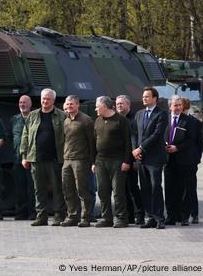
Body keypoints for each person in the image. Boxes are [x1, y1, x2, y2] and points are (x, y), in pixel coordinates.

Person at [20, 88, 66, 226]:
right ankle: (41, 216)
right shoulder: (33, 115)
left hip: (54, 158)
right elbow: (25, 135)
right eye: (43, 98)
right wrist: (24, 156)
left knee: (57, 188)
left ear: (53, 100)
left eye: (48, 99)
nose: (45, 101)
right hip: (36, 158)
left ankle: (59, 215)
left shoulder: (61, 116)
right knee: (38, 189)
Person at [132, 86, 169, 229]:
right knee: (145, 188)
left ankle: (160, 218)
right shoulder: (139, 114)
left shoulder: (162, 114)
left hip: (155, 158)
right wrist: (135, 149)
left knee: (155, 187)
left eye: (147, 96)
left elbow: (157, 135)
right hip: (141, 158)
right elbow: (134, 133)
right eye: (143, 96)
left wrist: (141, 147)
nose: (144, 98)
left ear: (155, 99)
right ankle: (150, 217)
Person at [93, 96, 132, 228]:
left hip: (117, 161)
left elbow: (128, 142)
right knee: (103, 191)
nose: (95, 109)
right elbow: (94, 142)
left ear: (104, 106)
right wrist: (93, 162)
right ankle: (106, 218)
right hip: (100, 161)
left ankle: (121, 218)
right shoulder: (97, 121)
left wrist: (127, 161)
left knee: (118, 191)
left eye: (97, 106)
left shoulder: (121, 120)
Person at [60, 95, 95, 227]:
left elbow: (92, 142)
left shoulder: (86, 120)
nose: (69, 107)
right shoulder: (66, 120)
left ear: (77, 105)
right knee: (67, 189)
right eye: (67, 104)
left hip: (81, 160)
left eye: (72, 104)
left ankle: (86, 217)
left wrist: (92, 162)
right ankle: (72, 216)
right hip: (67, 159)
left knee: (83, 190)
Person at [163, 95, 197, 226]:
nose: (178, 108)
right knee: (169, 188)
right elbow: (159, 135)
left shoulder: (189, 121)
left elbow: (191, 140)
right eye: (175, 105)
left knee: (184, 189)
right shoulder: (164, 119)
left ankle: (183, 216)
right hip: (168, 160)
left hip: (184, 160)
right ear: (170, 106)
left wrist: (177, 148)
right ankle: (171, 216)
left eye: (180, 105)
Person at [116, 95, 145, 225]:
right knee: (121, 189)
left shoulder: (134, 119)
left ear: (128, 105)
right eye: (117, 104)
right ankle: (129, 214)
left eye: (122, 103)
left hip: (131, 160)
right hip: (117, 160)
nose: (119, 106)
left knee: (132, 187)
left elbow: (136, 141)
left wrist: (133, 161)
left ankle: (140, 214)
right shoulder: (115, 118)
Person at [10, 95, 35, 220]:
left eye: (25, 102)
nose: (22, 104)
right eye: (20, 102)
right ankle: (21, 212)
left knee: (32, 187)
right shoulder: (14, 119)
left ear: (30, 104)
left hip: (32, 159)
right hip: (17, 159)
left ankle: (32, 212)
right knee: (19, 187)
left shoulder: (35, 118)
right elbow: (11, 138)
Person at [181, 97, 202, 224]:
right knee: (182, 188)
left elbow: (199, 142)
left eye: (180, 106)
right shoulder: (175, 121)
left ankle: (194, 214)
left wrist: (197, 159)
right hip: (178, 160)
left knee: (190, 188)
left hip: (190, 160)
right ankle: (183, 213)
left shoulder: (194, 122)